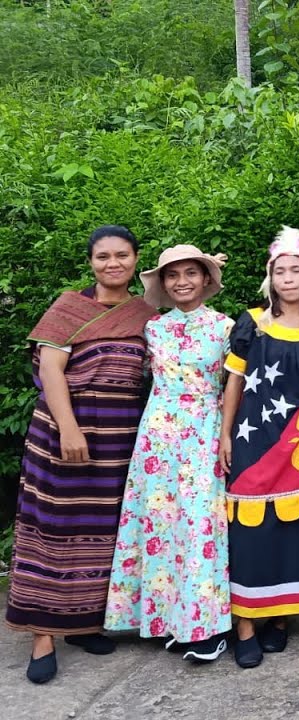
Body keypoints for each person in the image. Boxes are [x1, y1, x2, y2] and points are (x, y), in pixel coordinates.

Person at [6, 226, 155, 684]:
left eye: (122, 256)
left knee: (103, 532)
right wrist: (69, 429)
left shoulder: (145, 312)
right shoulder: (69, 307)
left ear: (135, 260)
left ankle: (83, 623)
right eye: (103, 257)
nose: (113, 264)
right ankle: (42, 635)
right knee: (55, 528)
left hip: (119, 437)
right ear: (91, 262)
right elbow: (51, 368)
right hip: (63, 431)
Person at [103, 244, 234, 663]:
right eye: (172, 275)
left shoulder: (225, 327)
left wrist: (227, 433)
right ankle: (166, 621)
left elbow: (236, 385)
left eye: (190, 273)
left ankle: (206, 629)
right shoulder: (152, 329)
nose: (182, 282)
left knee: (200, 526)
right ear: (162, 283)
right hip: (158, 435)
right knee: (160, 525)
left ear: (205, 279)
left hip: (203, 432)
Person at [218, 227, 299, 669]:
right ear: (270, 277)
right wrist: (225, 434)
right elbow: (235, 381)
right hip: (252, 438)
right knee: (248, 532)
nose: (288, 277)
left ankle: (279, 621)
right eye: (280, 270)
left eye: (295, 269)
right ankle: (245, 624)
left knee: (295, 531)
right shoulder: (251, 323)